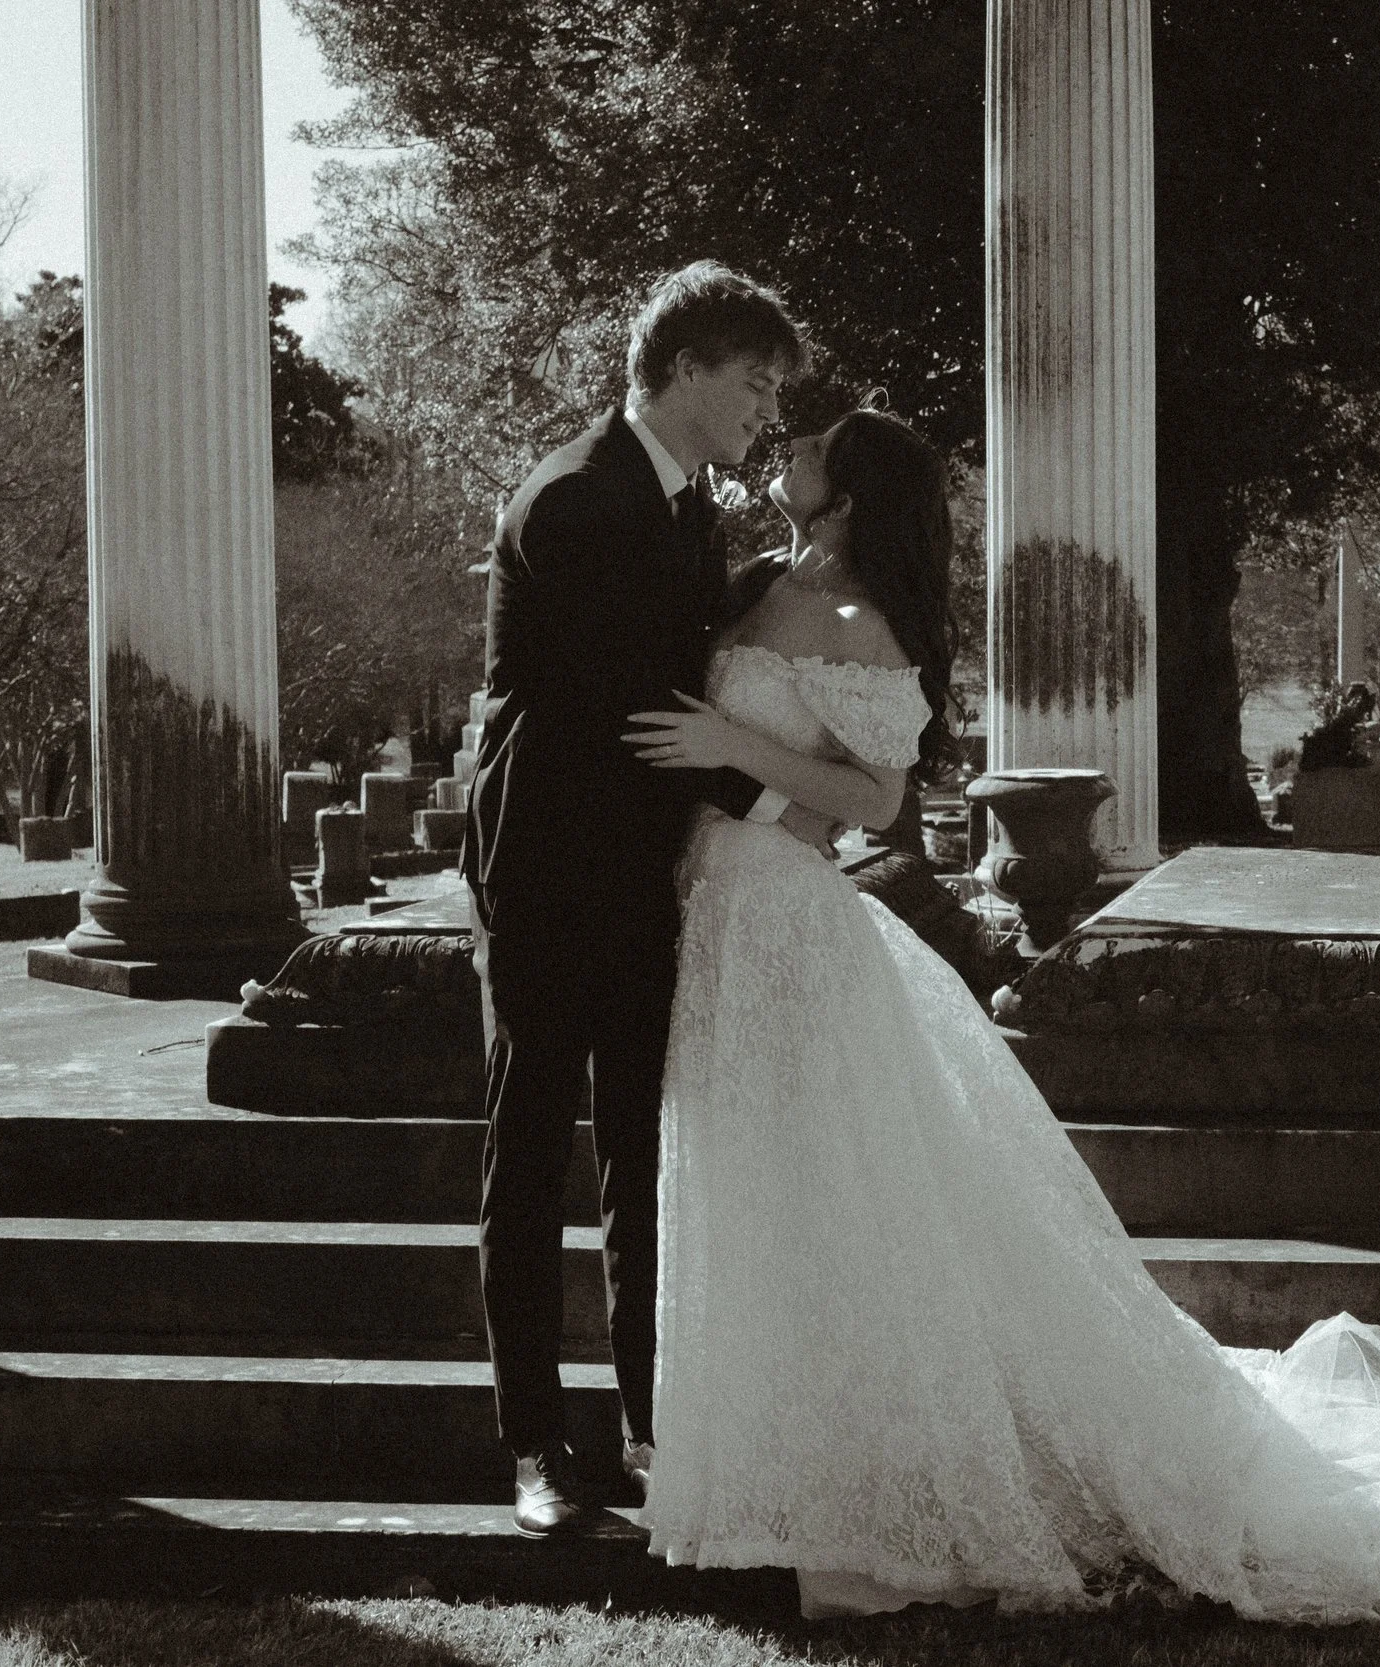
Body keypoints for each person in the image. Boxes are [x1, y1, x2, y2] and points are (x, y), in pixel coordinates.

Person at [622, 407, 1380, 1626]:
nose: (780, 455)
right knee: (757, 1197)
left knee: (829, 1204)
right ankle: (769, 1471)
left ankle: (874, 1502)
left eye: (807, 451)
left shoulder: (861, 621)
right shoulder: (749, 582)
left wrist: (730, 746)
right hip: (713, 914)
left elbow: (876, 793)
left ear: (846, 495)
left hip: (786, 927)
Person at [462, 262, 835, 1537]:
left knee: (638, 1151)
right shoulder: (576, 497)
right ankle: (533, 1448)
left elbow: (696, 686)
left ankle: (651, 1428)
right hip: (547, 869)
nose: (763, 411)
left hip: (643, 874)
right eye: (750, 382)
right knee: (529, 1153)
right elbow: (649, 712)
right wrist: (793, 810)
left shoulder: (687, 511)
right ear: (680, 371)